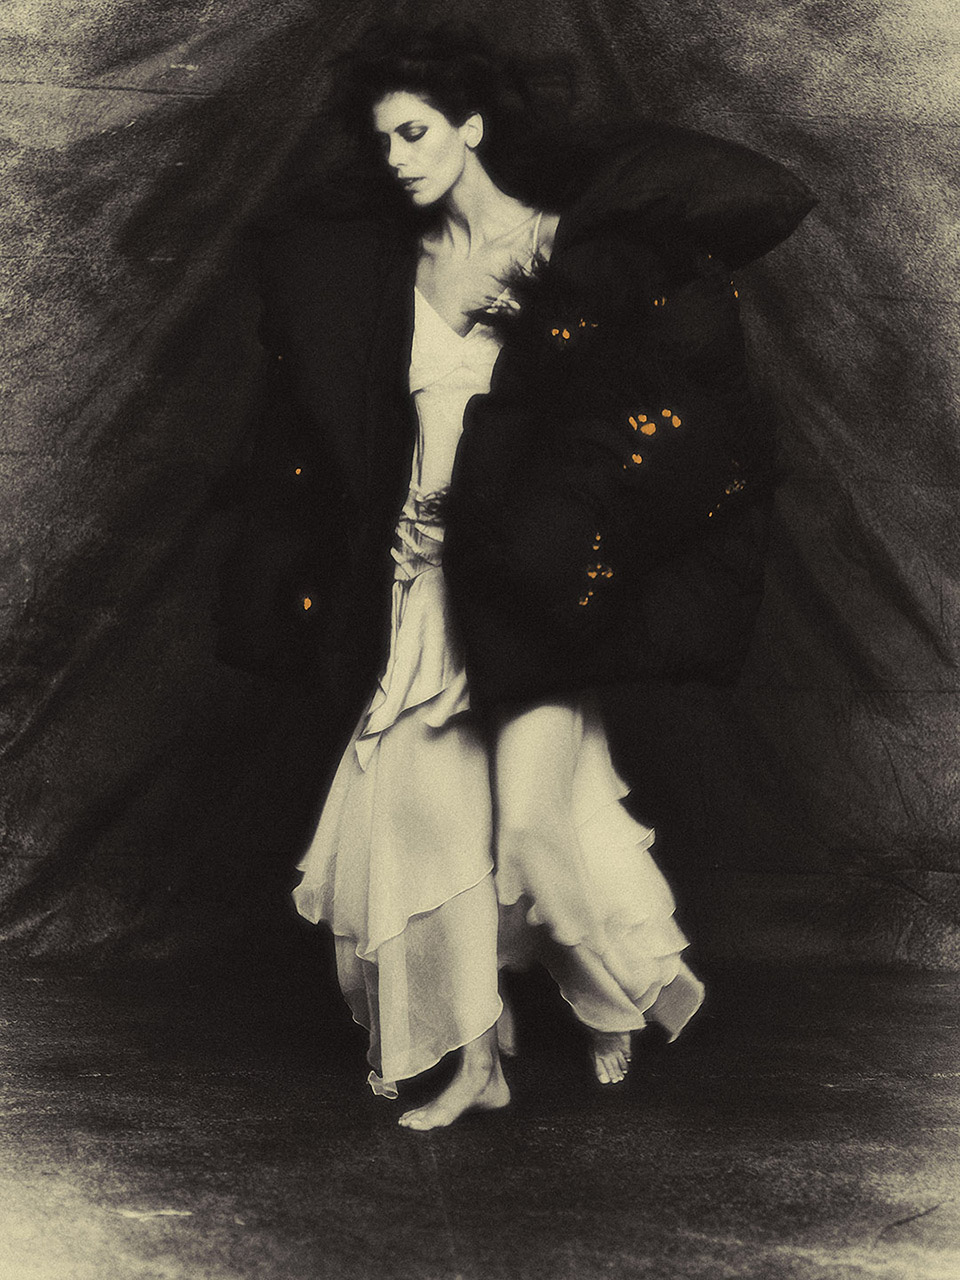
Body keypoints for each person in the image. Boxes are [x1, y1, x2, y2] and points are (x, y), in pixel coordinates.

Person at [219, 19, 814, 1130]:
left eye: (415, 132)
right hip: (420, 597)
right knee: (422, 831)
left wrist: (501, 529)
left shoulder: (563, 252)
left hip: (530, 592)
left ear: (472, 128)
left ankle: (618, 1000)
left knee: (539, 833)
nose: (396, 157)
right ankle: (479, 1064)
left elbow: (606, 438)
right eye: (381, 139)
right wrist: (385, 533)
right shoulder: (386, 270)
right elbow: (364, 437)